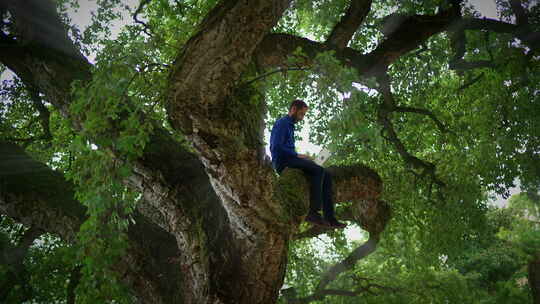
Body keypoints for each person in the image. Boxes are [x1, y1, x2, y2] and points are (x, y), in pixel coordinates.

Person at [270, 99, 346, 229]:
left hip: (291, 159)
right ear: (293, 109)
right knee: (318, 170)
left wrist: (304, 159)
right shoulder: (282, 123)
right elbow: (276, 147)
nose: (302, 118)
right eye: (301, 114)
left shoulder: (290, 126)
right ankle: (313, 212)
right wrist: (298, 155)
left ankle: (330, 218)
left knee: (326, 174)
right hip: (283, 161)